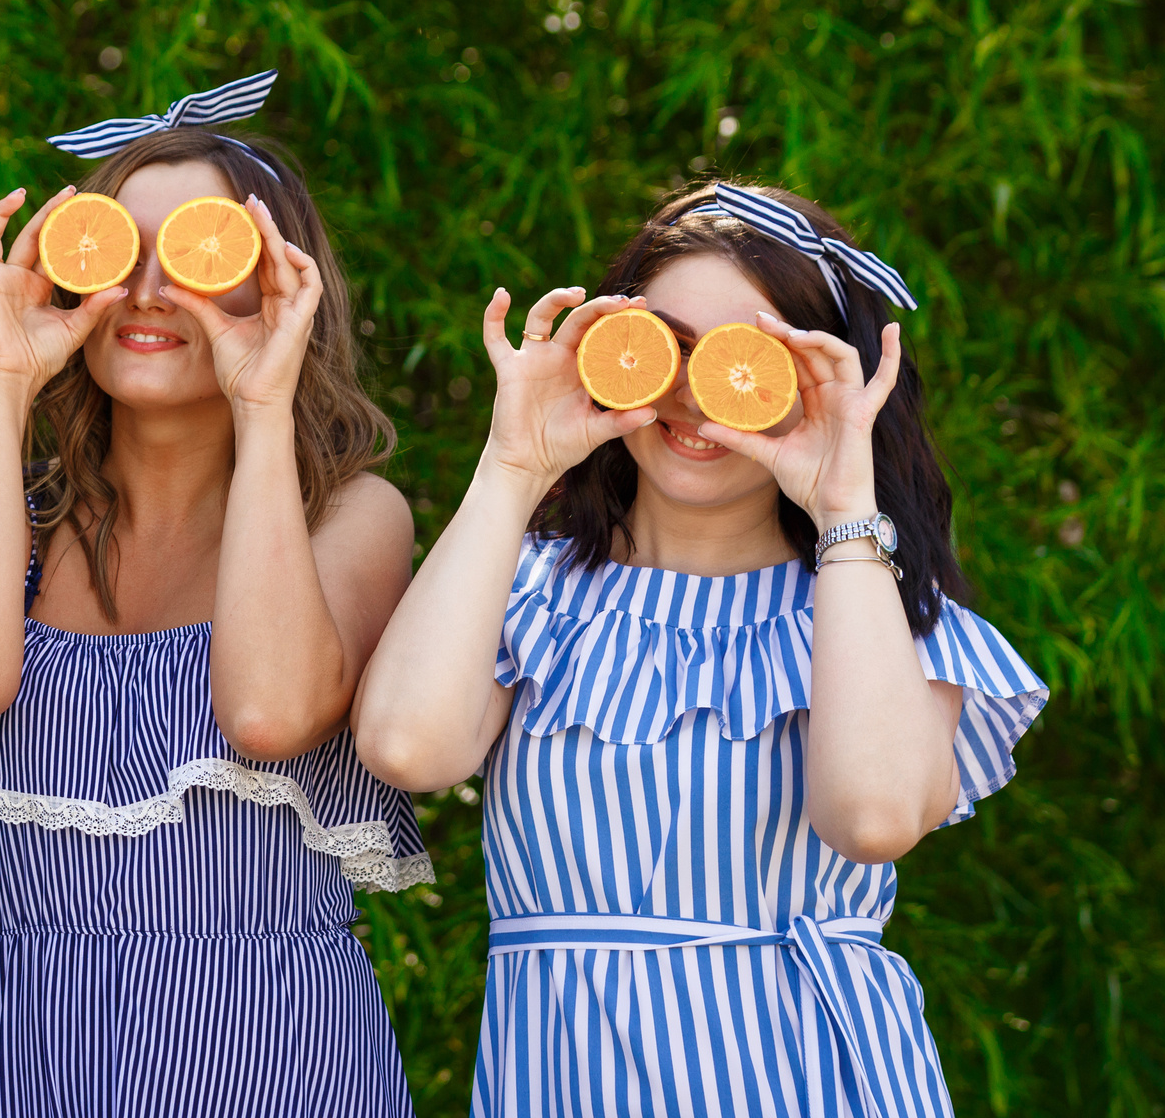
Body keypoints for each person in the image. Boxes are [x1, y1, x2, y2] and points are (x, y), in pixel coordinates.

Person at [352, 181, 1047, 1117]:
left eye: (748, 357)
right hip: (562, 1085)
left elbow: (873, 818)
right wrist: (513, 466)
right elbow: (406, 746)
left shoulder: (875, 613)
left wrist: (844, 507)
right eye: (665, 346)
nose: (690, 390)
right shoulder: (532, 589)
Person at [0, 73, 426, 1115]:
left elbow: (270, 714)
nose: (146, 291)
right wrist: (2, 378)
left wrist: (264, 403)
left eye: (198, 256)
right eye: (113, 252)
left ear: (280, 286)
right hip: (21, 1066)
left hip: (279, 1068)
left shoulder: (352, 518)